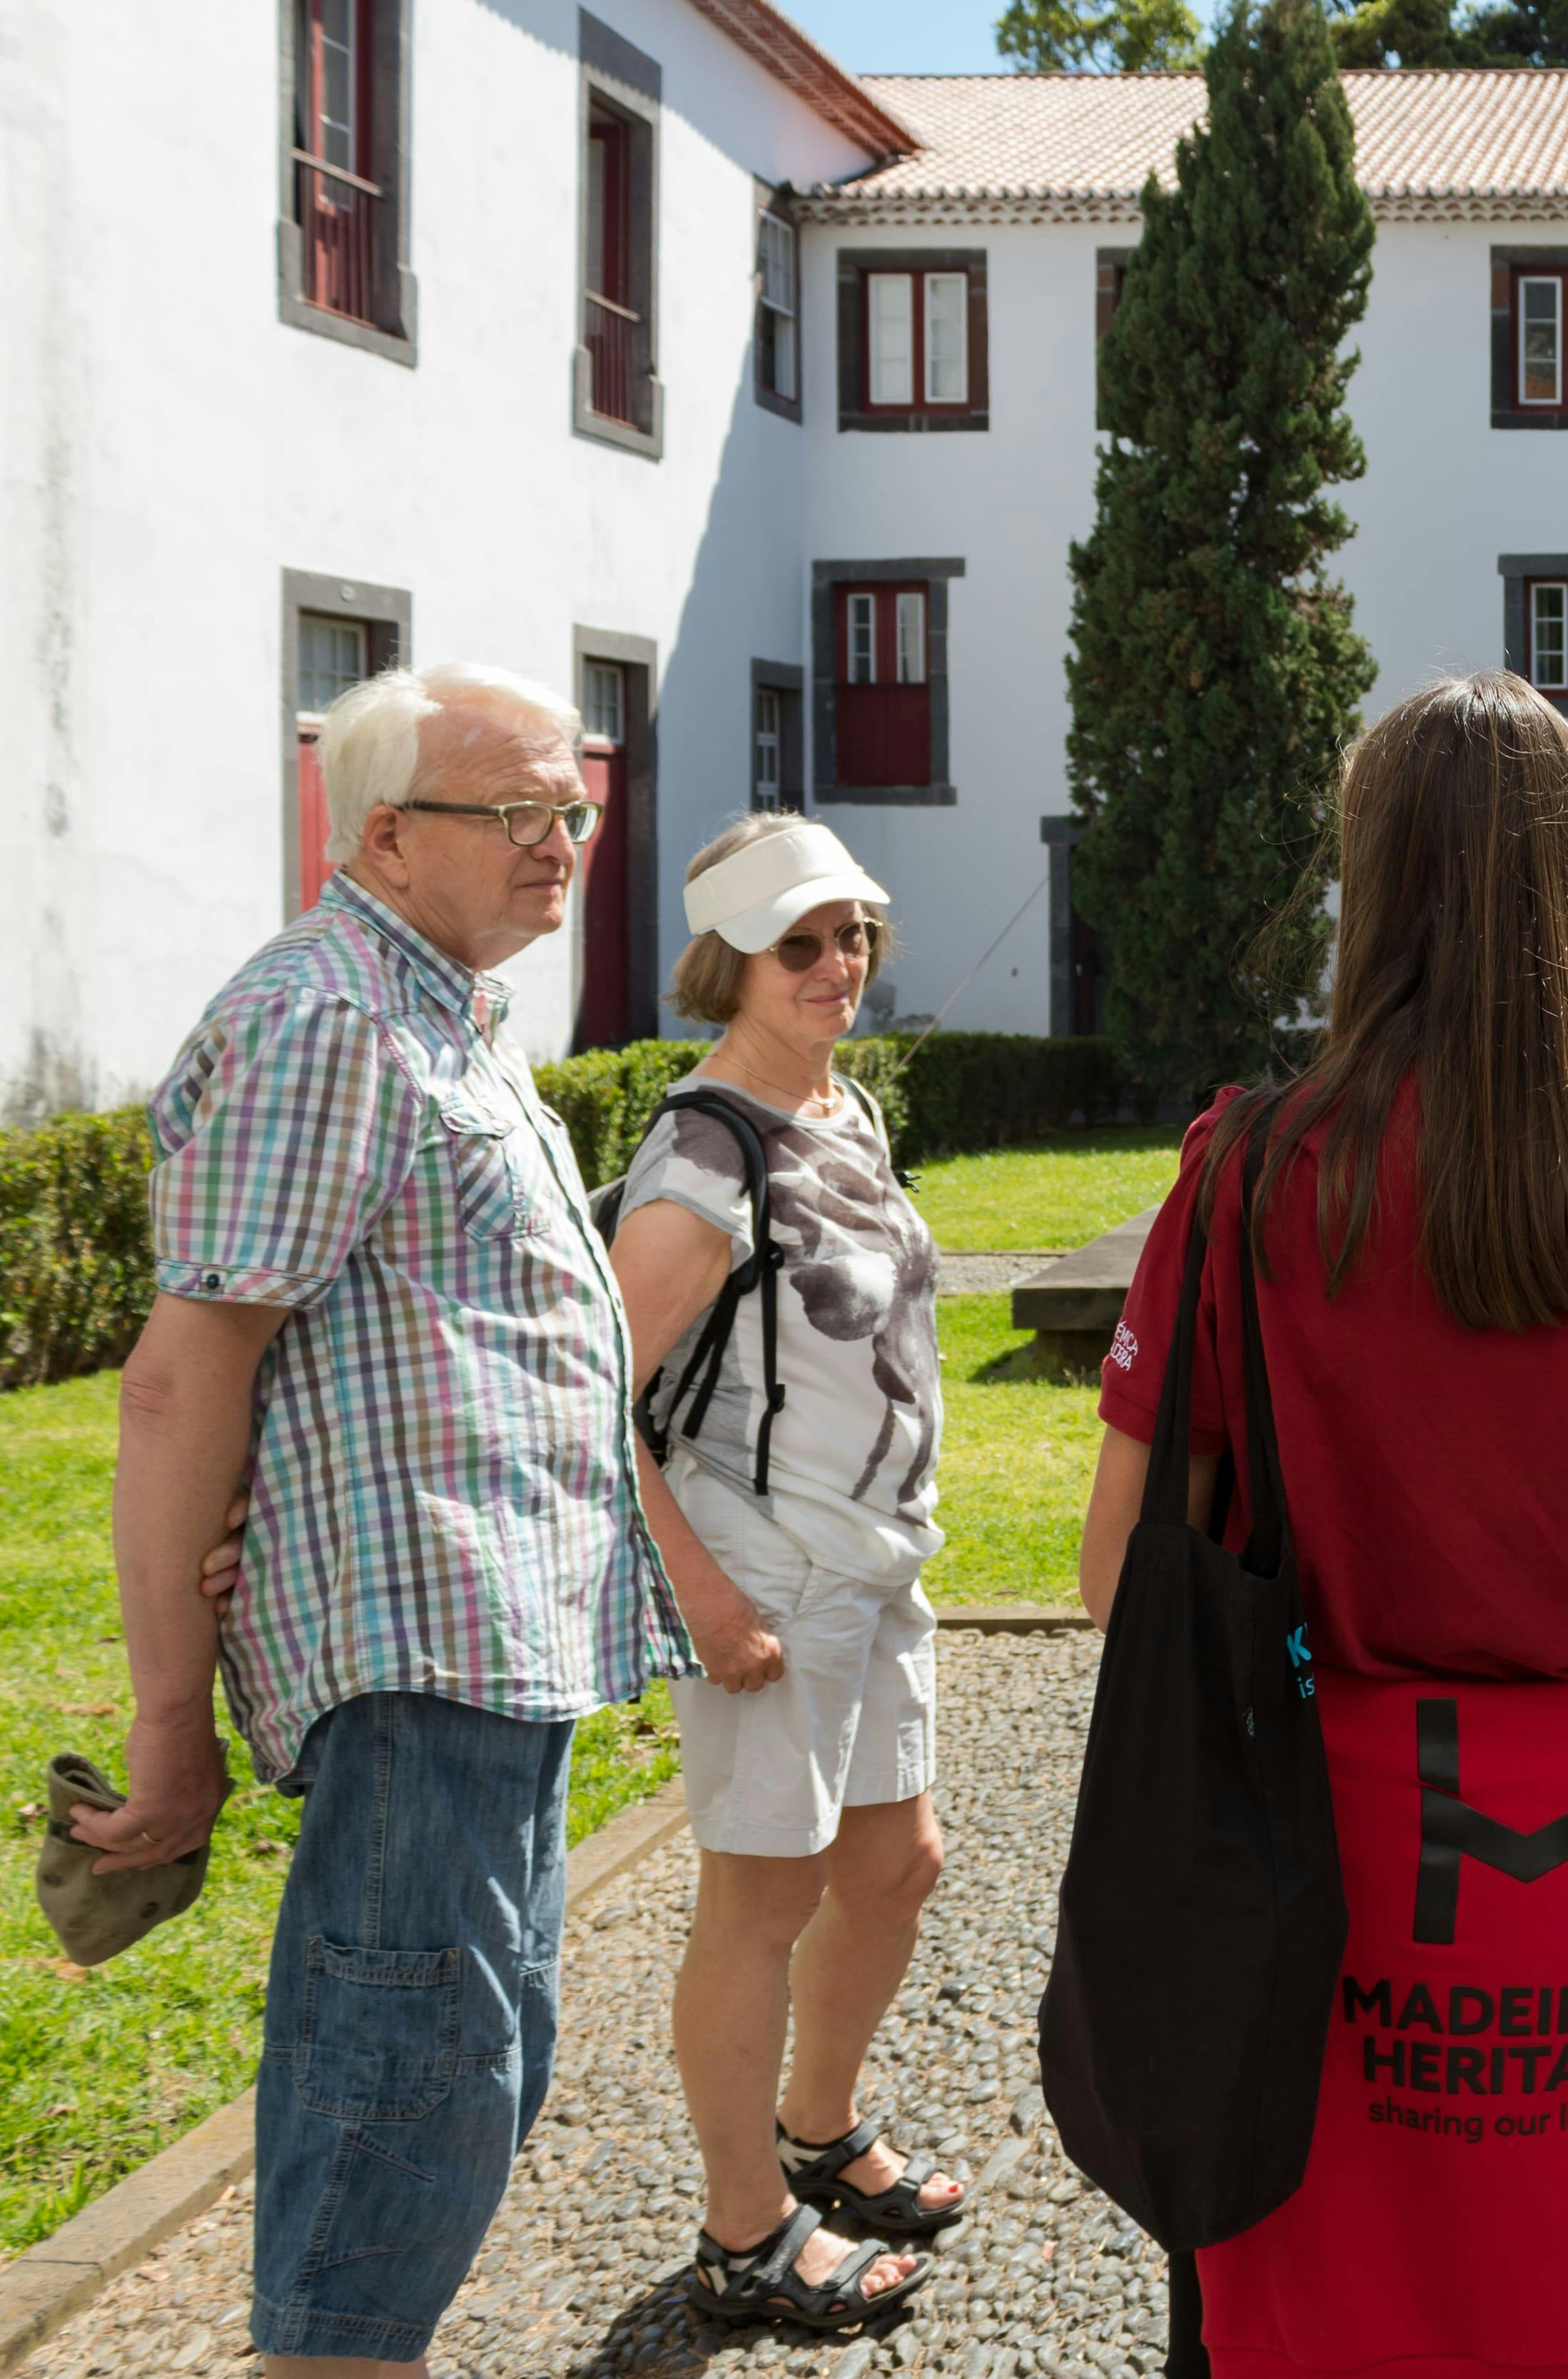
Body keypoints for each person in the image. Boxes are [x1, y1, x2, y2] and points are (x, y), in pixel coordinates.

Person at [1078, 674, 1568, 2379]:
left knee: (1321, 2304)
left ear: (1372, 877)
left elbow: (1123, 1564)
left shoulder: (1255, 1168)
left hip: (1318, 1858)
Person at [88, 661, 694, 2376]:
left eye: (569, 808)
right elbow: (183, 1368)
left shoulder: (439, 1007)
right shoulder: (334, 1013)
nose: (558, 841)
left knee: (460, 2086)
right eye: (512, 813)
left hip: (483, 1649)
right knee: (397, 2116)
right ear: (381, 834)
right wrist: (164, 1717)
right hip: (421, 1650)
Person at [603, 815, 963, 2328]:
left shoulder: (841, 1107)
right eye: (798, 944)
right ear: (729, 962)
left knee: (896, 1862)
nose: (837, 965)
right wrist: (698, 1586)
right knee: (759, 1898)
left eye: (853, 935)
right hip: (765, 1567)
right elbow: (589, 1391)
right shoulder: (704, 1150)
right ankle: (743, 2227)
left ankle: (819, 2130)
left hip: (871, 1557)